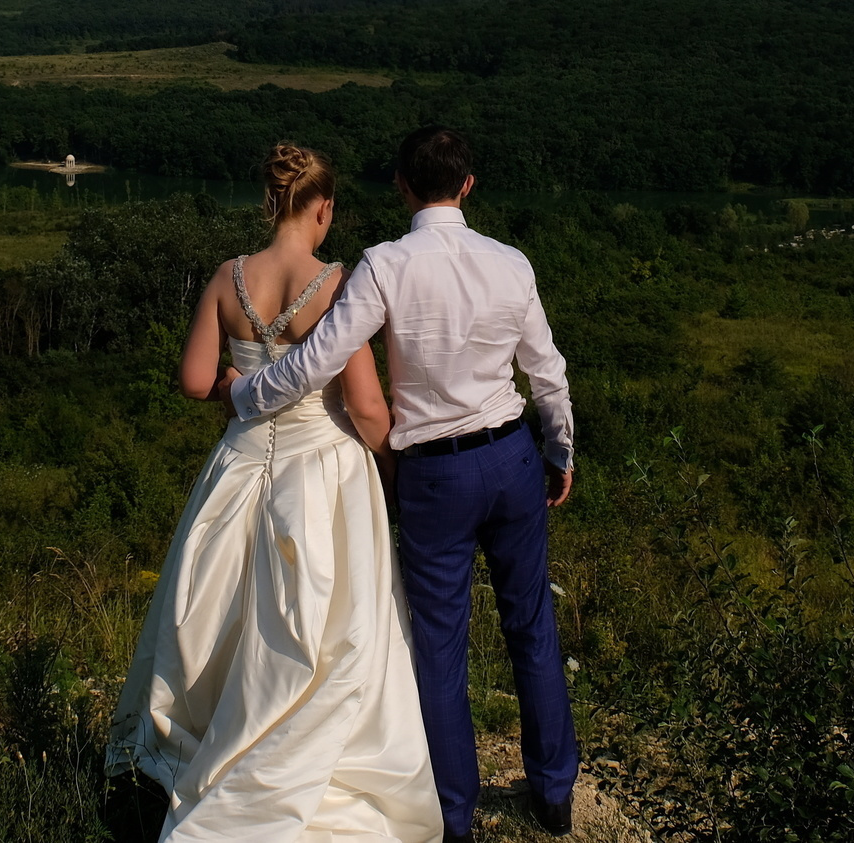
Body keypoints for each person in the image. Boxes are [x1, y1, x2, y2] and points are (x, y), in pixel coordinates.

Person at [228, 126, 579, 843]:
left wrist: (245, 394)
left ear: (402, 186)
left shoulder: (384, 265)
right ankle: (555, 793)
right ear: (468, 185)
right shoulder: (511, 263)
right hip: (511, 456)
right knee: (532, 626)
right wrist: (559, 449)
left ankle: (454, 815)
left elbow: (318, 361)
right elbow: (546, 370)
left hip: (435, 474)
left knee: (441, 645)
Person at [106, 144, 443, 842]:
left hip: (240, 463)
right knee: (322, 624)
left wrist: (237, 386)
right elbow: (366, 405)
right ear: (323, 209)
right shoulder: (336, 284)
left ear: (272, 203)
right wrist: (393, 468)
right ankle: (304, 757)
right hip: (322, 469)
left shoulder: (228, 278)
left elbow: (194, 380)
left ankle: (201, 743)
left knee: (219, 611)